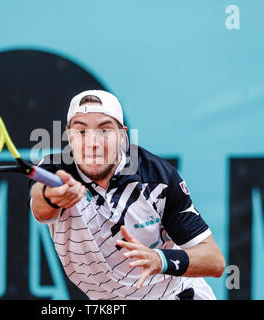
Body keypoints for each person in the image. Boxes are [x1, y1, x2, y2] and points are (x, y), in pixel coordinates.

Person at [29, 90, 225, 300]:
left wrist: (160, 260)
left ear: (122, 135)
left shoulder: (158, 178)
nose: (92, 143)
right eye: (81, 131)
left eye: (104, 131)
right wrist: (54, 197)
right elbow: (40, 208)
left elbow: (214, 261)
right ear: (69, 136)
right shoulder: (53, 171)